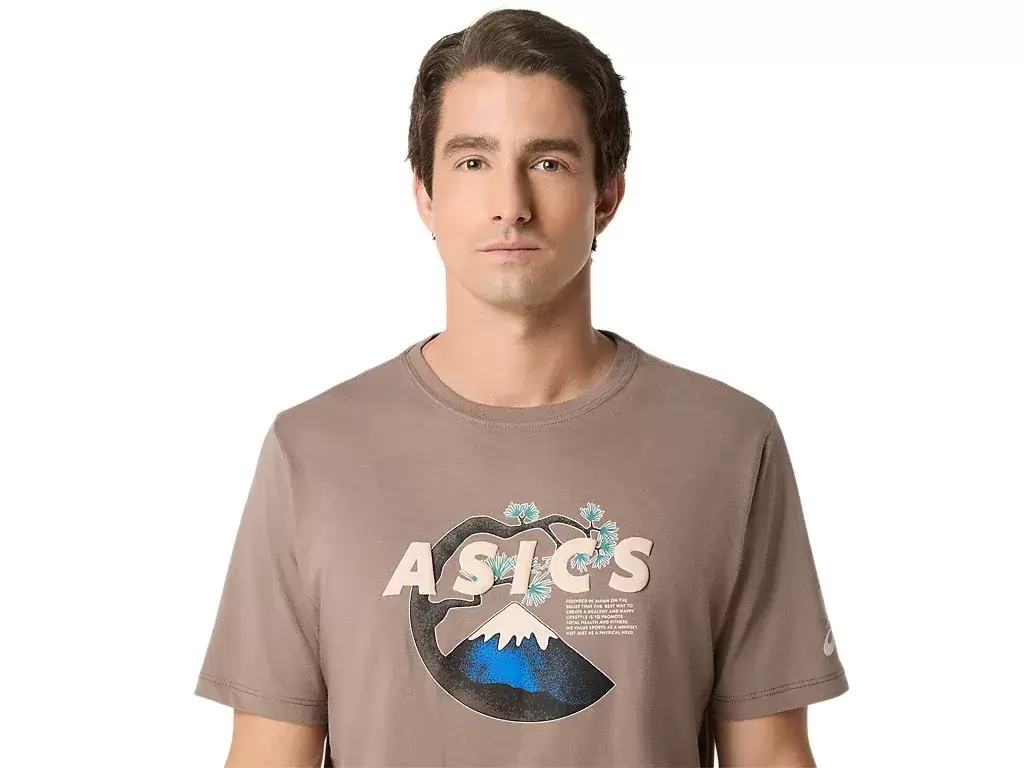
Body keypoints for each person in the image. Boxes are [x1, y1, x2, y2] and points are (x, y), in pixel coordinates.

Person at [194, 8, 849, 766]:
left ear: (607, 195)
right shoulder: (313, 451)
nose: (510, 203)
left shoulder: (729, 444)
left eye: (549, 162)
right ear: (425, 195)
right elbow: (267, 754)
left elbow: (771, 755)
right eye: (473, 161)